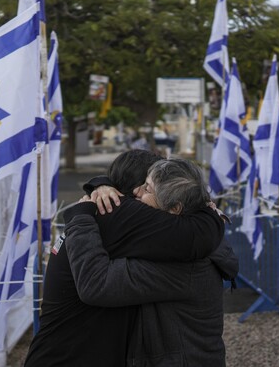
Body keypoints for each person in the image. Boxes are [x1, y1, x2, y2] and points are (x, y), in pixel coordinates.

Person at [24, 150, 235, 366]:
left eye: (147, 188)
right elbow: (96, 283)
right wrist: (211, 216)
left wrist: (100, 186)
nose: (138, 191)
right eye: (142, 185)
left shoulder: (179, 255)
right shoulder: (117, 224)